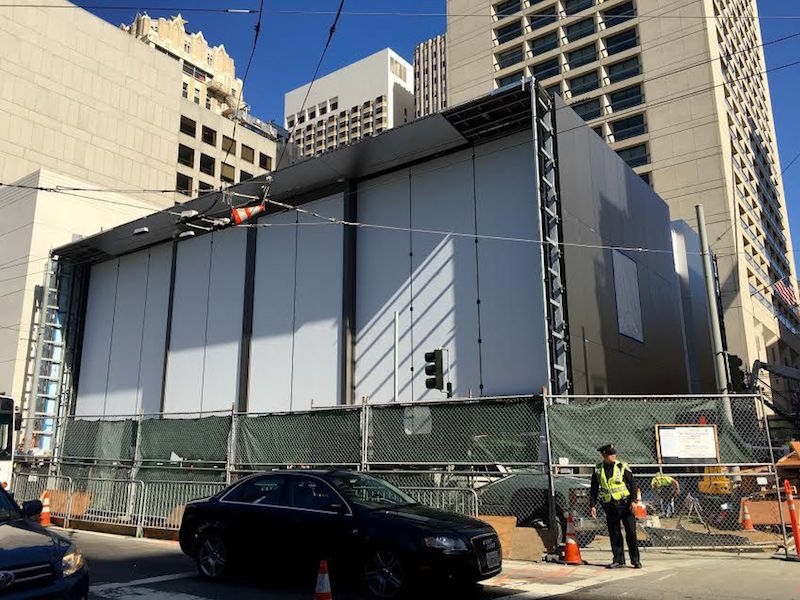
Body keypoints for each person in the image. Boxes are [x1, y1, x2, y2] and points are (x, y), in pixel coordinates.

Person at [589, 444, 641, 569]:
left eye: (614, 454)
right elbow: (594, 488)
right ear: (604, 456)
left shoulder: (621, 466)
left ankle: (635, 560)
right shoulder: (598, 469)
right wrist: (592, 505)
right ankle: (618, 560)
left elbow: (632, 484)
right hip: (610, 506)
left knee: (631, 533)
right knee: (615, 533)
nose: (613, 456)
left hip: (625, 505)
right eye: (610, 454)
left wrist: (634, 501)